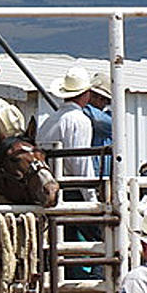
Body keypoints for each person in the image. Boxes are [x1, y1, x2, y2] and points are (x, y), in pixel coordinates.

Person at [37, 66, 96, 202]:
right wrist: (91, 196)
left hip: (47, 187)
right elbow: (80, 162)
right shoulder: (80, 120)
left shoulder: (49, 120)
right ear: (86, 93)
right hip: (71, 190)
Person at [84, 72, 113, 176]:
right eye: (93, 95)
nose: (99, 100)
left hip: (100, 173)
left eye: (104, 99)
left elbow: (96, 118)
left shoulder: (108, 120)